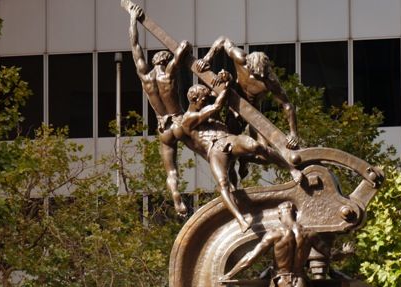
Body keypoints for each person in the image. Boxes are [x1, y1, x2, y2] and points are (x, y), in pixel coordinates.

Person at [173, 74, 297, 233]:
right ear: (194, 100)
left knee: (256, 146)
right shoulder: (189, 119)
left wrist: (227, 78)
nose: (205, 102)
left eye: (206, 99)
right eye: (203, 100)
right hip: (215, 151)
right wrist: (226, 87)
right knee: (223, 184)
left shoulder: (205, 108)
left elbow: (221, 93)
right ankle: (241, 220)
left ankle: (291, 169)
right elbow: (217, 106)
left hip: (227, 140)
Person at [125, 0, 191, 216]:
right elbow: (183, 47)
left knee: (171, 169)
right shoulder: (170, 71)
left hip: (163, 127)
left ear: (153, 61)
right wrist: (183, 47)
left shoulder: (145, 76)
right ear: (165, 60)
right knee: (209, 143)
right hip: (180, 121)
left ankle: (175, 196)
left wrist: (133, 19)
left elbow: (135, 46)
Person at [193, 38, 301, 152]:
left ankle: (244, 161)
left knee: (262, 150)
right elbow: (223, 40)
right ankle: (239, 163)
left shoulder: (270, 81)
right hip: (235, 99)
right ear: (248, 65)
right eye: (257, 73)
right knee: (228, 143)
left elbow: (287, 105)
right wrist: (206, 59)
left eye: (263, 74)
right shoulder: (240, 58)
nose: (260, 76)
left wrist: (293, 133)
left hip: (252, 111)